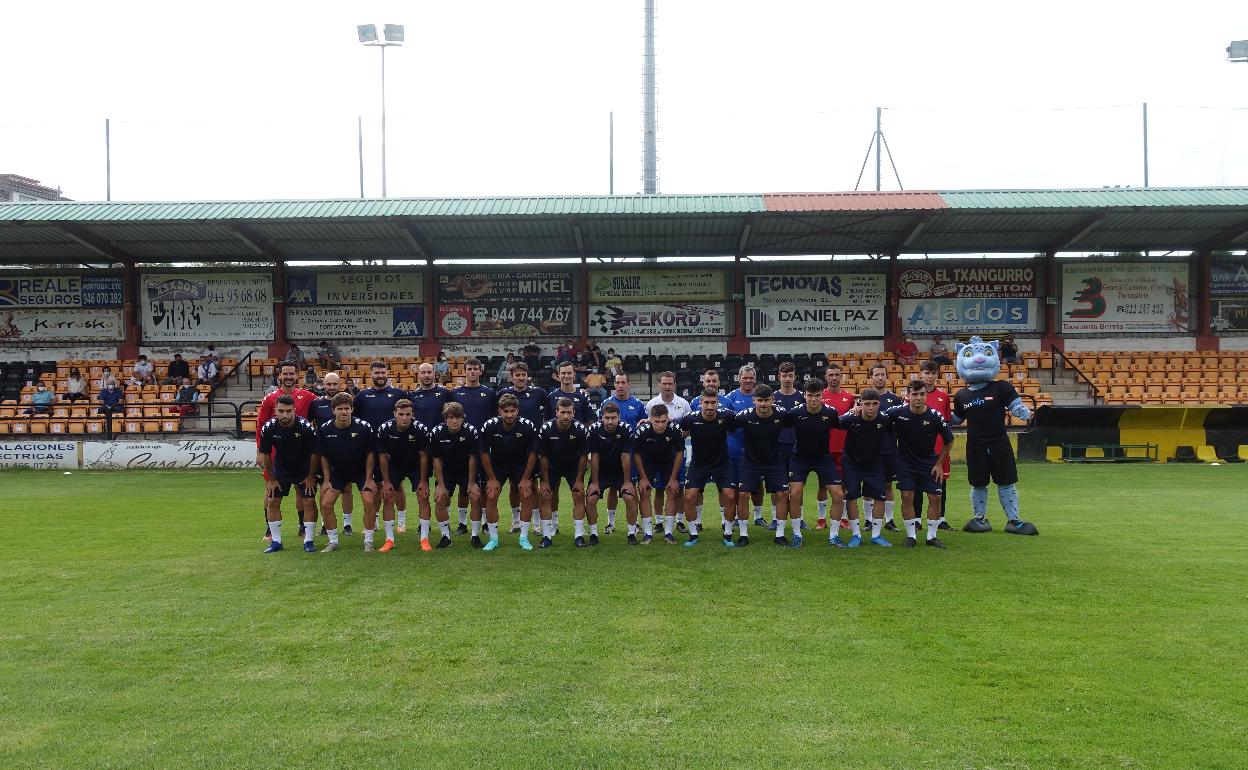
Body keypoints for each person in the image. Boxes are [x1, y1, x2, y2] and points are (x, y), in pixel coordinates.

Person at [952, 336, 1038, 536]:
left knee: (1006, 482)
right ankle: (980, 518)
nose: (979, 359)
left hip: (999, 444)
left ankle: (1014, 520)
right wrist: (942, 417)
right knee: (978, 484)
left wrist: (1021, 411)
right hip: (975, 447)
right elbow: (957, 418)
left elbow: (1015, 405)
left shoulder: (1002, 387)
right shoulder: (961, 395)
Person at [885, 380, 954, 548]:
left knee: (935, 497)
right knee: (907, 495)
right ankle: (911, 536)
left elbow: (949, 440)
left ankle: (932, 537)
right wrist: (856, 410)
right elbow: (876, 416)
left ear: (926, 395)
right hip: (905, 462)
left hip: (929, 462)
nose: (918, 398)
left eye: (922, 394)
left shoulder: (935, 416)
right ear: (908, 396)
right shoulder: (897, 412)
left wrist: (939, 464)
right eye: (914, 394)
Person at [256, 363, 317, 541]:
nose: (289, 377)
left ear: (297, 376)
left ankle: (302, 526)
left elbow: (324, 407)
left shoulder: (307, 396)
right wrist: (259, 451)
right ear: (279, 376)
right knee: (271, 489)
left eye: (292, 373)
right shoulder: (270, 398)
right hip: (275, 453)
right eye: (285, 374)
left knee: (300, 489)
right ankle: (270, 530)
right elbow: (261, 424)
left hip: (300, 453)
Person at [354, 361, 417, 532]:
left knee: (397, 484)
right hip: (371, 447)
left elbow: (409, 415)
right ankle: (374, 520)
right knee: (375, 484)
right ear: (371, 374)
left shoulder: (398, 393)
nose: (380, 376)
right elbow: (356, 420)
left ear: (387, 374)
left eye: (383, 373)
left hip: (394, 447)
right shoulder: (362, 396)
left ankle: (401, 521)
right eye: (377, 373)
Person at [314, 392, 380, 552]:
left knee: (369, 501)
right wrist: (326, 480)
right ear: (333, 410)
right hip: (338, 472)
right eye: (339, 409)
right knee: (326, 504)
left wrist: (369, 478)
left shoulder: (364, 427)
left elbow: (370, 453)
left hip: (361, 471)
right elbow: (323, 456)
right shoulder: (324, 429)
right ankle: (333, 541)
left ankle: (369, 540)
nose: (343, 412)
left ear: (352, 409)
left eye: (346, 408)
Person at [786, 378, 846, 549]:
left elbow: (842, 424)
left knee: (838, 494)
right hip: (800, 458)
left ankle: (834, 536)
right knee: (795, 493)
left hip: (823, 459)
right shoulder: (795, 413)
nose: (813, 399)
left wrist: (856, 411)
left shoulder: (830, 413)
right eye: (810, 395)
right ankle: (797, 535)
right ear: (804, 395)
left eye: (817, 395)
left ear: (822, 396)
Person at [730, 384, 791, 548]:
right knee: (743, 494)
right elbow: (727, 423)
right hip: (750, 461)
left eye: (766, 400)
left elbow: (799, 420)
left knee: (783, 493)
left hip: (774, 460)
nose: (763, 404)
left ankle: (780, 534)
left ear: (773, 399)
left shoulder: (782, 414)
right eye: (760, 400)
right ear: (753, 400)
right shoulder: (744, 416)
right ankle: (743, 535)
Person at [478, 394, 539, 551]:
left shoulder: (528, 426)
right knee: (491, 494)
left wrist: (526, 478)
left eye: (513, 411)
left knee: (526, 493)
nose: (509, 415)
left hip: (520, 465)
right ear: (500, 411)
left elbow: (533, 454)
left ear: (518, 411)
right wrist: (491, 478)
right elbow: (484, 453)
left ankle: (524, 538)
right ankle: (493, 539)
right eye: (506, 411)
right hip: (497, 465)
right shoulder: (489, 426)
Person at [678, 388, 738, 548]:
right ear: (700, 403)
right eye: (706, 402)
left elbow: (739, 425)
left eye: (713, 402)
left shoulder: (727, 416)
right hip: (699, 464)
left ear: (718, 403)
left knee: (730, 496)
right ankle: (693, 534)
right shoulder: (690, 419)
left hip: (722, 464)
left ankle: (728, 534)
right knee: (689, 497)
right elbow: (679, 432)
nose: (710, 406)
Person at [837, 388, 894, 548]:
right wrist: (850, 411)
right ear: (860, 404)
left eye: (874, 404)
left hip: (874, 465)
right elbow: (833, 422)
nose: (871, 407)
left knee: (880, 497)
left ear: (879, 404)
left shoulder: (884, 419)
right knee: (851, 497)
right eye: (867, 404)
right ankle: (856, 535)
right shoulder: (851, 418)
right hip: (852, 464)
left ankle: (876, 535)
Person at [497, 362, 548, 532]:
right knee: (514, 486)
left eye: (523, 375)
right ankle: (516, 521)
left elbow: (549, 413)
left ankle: (536, 523)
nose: (520, 378)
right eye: (517, 375)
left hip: (532, 446)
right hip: (511, 446)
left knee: (533, 485)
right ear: (511, 377)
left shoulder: (538, 393)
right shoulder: (503, 394)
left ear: (527, 376)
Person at [535, 397, 590, 549]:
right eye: (563, 412)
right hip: (552, 466)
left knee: (578, 494)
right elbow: (543, 456)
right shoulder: (546, 429)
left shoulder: (580, 429)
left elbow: (584, 456)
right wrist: (545, 481)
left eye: (569, 412)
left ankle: (579, 536)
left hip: (573, 466)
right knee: (545, 495)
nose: (566, 416)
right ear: (556, 413)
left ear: (574, 413)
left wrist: (579, 479)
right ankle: (546, 536)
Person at [451, 357, 496, 536]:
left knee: (483, 485)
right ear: (465, 371)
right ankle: (462, 523)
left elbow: (494, 418)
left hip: (483, 445)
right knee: (464, 486)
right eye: (469, 369)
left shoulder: (489, 393)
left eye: (475, 369)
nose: (472, 372)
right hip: (462, 444)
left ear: (480, 371)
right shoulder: (455, 393)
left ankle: (484, 522)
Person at [427, 403, 480, 551]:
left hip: (466, 471)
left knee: (475, 497)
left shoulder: (471, 431)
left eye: (458, 417)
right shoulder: (436, 432)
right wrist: (440, 485)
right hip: (447, 472)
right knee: (440, 498)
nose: (454, 421)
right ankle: (446, 537)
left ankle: (475, 536)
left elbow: (473, 458)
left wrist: (471, 483)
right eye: (451, 418)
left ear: (463, 418)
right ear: (445, 419)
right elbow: (436, 460)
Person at [308, 372, 355, 533]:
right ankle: (324, 523)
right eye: (329, 384)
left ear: (339, 384)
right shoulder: (316, 404)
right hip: (324, 453)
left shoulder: (347, 401)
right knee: (325, 487)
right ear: (324, 385)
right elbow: (309, 423)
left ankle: (347, 524)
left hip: (344, 452)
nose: (332, 387)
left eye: (335, 384)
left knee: (347, 488)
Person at [585, 402, 638, 546]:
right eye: (607, 418)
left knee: (629, 497)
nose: (610, 421)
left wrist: (627, 481)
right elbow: (594, 456)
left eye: (613, 418)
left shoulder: (626, 429)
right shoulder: (594, 429)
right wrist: (594, 482)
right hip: (601, 472)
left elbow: (625, 455)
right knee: (591, 499)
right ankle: (594, 534)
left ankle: (631, 533)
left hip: (620, 472)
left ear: (618, 417)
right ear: (601, 417)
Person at [632, 403, 685, 544]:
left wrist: (673, 478)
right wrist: (643, 478)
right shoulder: (641, 431)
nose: (661, 425)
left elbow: (680, 452)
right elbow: (636, 454)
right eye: (657, 421)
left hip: (668, 462)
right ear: (650, 420)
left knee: (673, 491)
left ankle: (669, 533)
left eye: (663, 421)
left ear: (668, 419)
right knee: (644, 492)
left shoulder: (675, 429)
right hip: (647, 463)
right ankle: (648, 534)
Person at [864, 363, 905, 532]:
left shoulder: (894, 399)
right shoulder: (865, 398)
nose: (880, 378)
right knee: (868, 485)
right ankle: (868, 520)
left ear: (887, 377)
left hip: (889, 449)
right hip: (869, 450)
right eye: (877, 375)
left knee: (888, 485)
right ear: (871, 377)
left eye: (883, 374)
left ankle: (889, 520)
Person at [913, 360, 953, 527]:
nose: (930, 376)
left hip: (938, 449)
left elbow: (947, 423)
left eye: (933, 373)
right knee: (916, 484)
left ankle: (940, 519)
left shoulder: (944, 397)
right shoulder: (914, 396)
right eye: (927, 373)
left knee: (940, 484)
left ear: (937, 375)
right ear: (921, 374)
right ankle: (916, 519)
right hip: (917, 449)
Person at [818, 363, 855, 530]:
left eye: (836, 375)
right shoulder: (820, 396)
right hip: (824, 446)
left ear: (841, 377)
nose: (834, 378)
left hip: (844, 447)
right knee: (822, 484)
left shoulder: (849, 397)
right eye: (830, 375)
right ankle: (821, 519)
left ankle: (843, 518)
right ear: (826, 377)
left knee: (844, 484)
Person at [768, 362, 805, 531]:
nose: (787, 379)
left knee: (797, 485)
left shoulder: (802, 397)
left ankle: (800, 518)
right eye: (784, 376)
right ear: (779, 377)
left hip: (798, 446)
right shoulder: (772, 398)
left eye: (790, 375)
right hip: (777, 446)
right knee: (777, 485)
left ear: (795, 377)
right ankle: (775, 518)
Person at [723, 365, 761, 527]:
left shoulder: (760, 396)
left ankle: (758, 516)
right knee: (737, 485)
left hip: (757, 448)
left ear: (755, 379)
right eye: (745, 378)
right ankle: (737, 516)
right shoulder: (730, 398)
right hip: (735, 447)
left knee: (758, 484)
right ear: (739, 378)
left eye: (751, 378)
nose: (748, 381)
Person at [548, 361, 593, 425]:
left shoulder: (583, 396)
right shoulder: (551, 396)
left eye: (569, 373)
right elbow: (547, 421)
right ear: (559, 375)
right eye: (563, 373)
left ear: (574, 374)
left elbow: (589, 421)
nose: (566, 376)